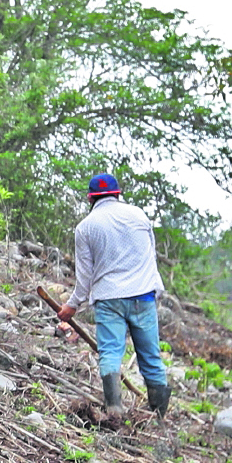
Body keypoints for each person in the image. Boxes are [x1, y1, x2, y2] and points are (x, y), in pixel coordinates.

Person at [56, 173, 170, 415]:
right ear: (118, 194)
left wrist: (72, 305)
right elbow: (150, 255)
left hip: (109, 299)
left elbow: (84, 277)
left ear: (90, 198)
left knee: (110, 354)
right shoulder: (139, 215)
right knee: (151, 358)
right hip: (143, 296)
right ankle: (159, 417)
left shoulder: (85, 227)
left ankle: (114, 410)